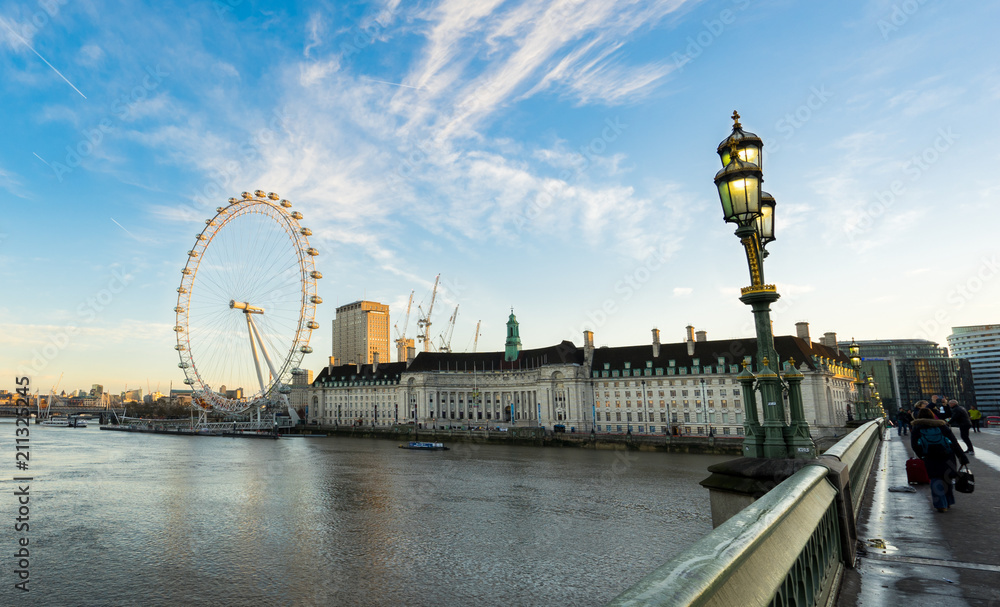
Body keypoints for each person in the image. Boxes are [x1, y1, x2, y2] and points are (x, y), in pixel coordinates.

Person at [911, 407, 969, 512]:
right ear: (932, 415)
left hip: (930, 456)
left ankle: (941, 505)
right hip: (947, 455)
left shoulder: (917, 427)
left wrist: (922, 456)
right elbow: (954, 442)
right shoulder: (942, 425)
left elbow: (914, 445)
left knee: (935, 479)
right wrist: (962, 457)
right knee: (947, 478)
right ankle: (949, 501)